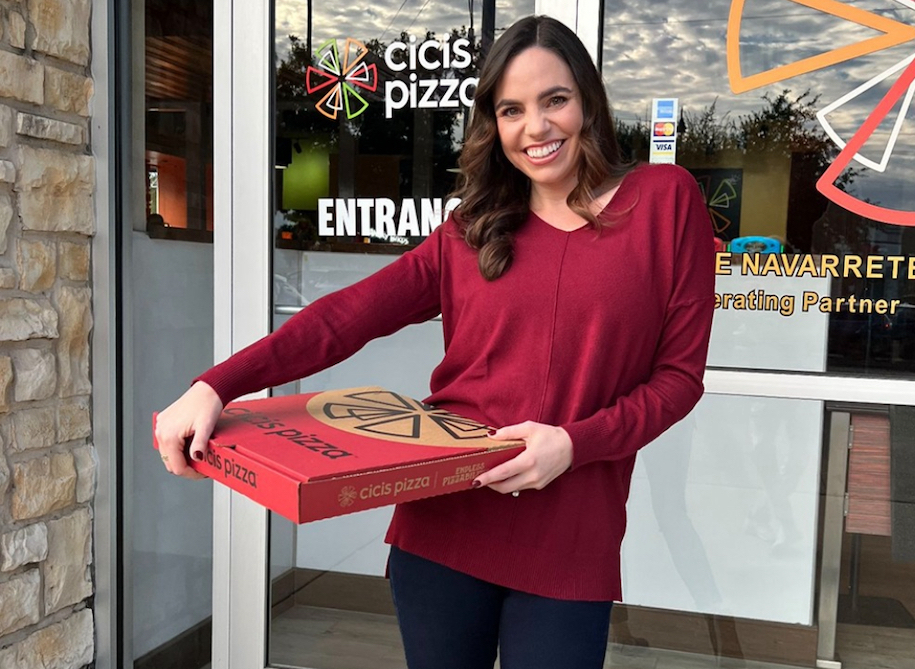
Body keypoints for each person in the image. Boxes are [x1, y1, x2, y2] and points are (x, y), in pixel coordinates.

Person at [155, 15, 715, 669]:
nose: (535, 127)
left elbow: (679, 379)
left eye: (554, 100)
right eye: (512, 109)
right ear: (493, 124)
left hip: (571, 540)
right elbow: (346, 317)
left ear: (589, 102)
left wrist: (573, 443)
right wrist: (216, 383)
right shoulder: (473, 230)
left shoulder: (664, 201)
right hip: (443, 528)